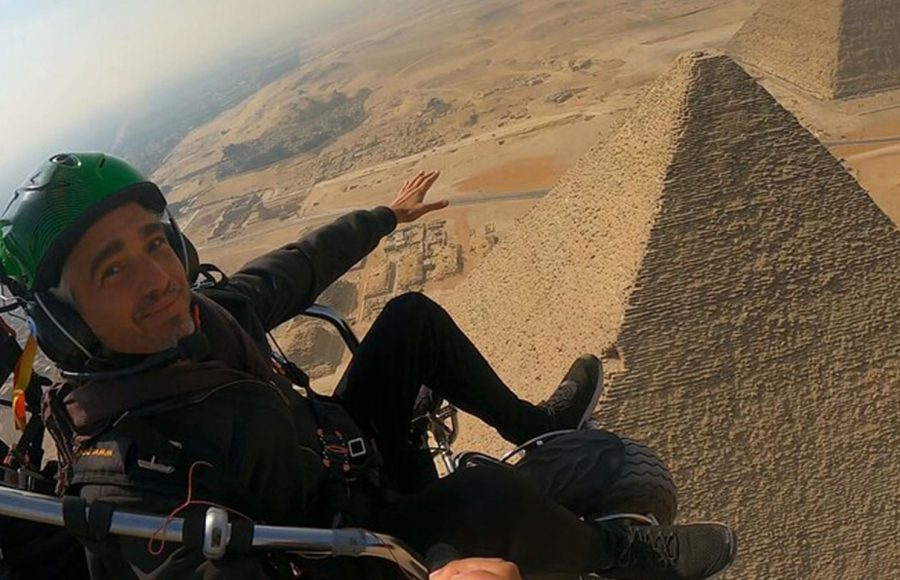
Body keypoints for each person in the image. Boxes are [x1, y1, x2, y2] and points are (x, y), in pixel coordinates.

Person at [0, 153, 736, 579]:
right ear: (64, 318)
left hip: (340, 450)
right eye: (111, 270)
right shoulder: (131, 476)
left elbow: (299, 265)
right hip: (337, 544)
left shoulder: (205, 317)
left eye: (154, 244)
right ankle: (620, 559)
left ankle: (537, 423)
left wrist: (387, 217)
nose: (155, 277)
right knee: (489, 499)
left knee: (409, 319)